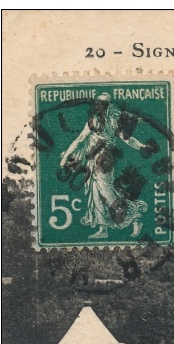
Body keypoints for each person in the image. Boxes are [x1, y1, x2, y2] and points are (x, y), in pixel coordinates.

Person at [58, 93, 149, 239]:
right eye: (98, 103)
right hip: (91, 160)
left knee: (106, 191)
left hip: (104, 160)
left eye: (102, 104)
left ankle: (134, 217)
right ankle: (103, 228)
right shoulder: (93, 120)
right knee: (95, 192)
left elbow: (127, 139)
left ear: (107, 106)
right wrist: (64, 158)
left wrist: (141, 146)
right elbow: (80, 139)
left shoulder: (113, 122)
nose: (99, 106)